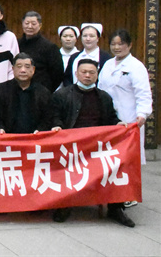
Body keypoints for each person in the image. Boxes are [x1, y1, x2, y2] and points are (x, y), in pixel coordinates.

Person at [51, 59, 135, 227]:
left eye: (92, 72)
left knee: (119, 162)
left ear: (97, 75)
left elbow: (111, 118)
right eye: (84, 72)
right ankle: (65, 204)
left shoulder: (104, 97)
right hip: (71, 147)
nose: (87, 75)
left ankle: (116, 207)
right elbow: (55, 117)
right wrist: (57, 126)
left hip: (99, 147)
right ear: (76, 74)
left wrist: (118, 124)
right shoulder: (62, 95)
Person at [98, 29, 153, 167]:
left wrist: (142, 113)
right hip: (109, 117)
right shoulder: (107, 64)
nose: (116, 47)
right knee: (109, 158)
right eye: (113, 44)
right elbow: (100, 89)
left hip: (129, 117)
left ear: (129, 45)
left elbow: (143, 93)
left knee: (128, 159)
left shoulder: (136, 66)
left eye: (120, 44)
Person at [0, 53, 54, 134]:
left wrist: (40, 130)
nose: (23, 70)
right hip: (7, 138)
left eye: (27, 67)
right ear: (13, 69)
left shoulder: (43, 92)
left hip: (34, 138)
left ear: (33, 70)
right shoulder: (1, 90)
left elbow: (47, 118)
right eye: (19, 66)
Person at [18, 11, 64, 91]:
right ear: (22, 24)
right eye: (27, 23)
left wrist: (46, 90)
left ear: (40, 25)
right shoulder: (17, 44)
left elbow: (58, 74)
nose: (30, 26)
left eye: (33, 24)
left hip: (40, 92)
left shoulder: (50, 47)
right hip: (18, 90)